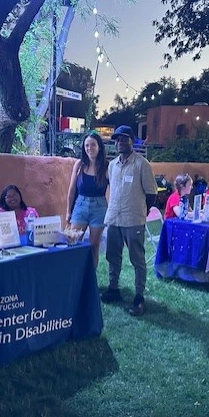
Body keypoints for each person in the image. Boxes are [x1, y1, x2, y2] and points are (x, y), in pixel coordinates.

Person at [101, 125, 157, 316]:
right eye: (117, 139)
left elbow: (151, 194)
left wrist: (142, 211)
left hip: (133, 219)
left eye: (124, 139)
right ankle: (113, 288)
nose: (119, 143)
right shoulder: (112, 165)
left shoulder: (142, 164)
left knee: (137, 259)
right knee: (112, 256)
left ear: (132, 141)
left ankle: (139, 297)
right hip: (114, 218)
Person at [66, 132, 108, 268]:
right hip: (80, 205)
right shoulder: (79, 165)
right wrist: (68, 211)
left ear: (99, 147)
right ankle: (74, 276)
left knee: (93, 245)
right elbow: (72, 189)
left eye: (93, 145)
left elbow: (112, 191)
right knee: (73, 241)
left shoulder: (107, 167)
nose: (90, 148)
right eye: (87, 145)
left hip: (99, 207)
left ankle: (91, 278)